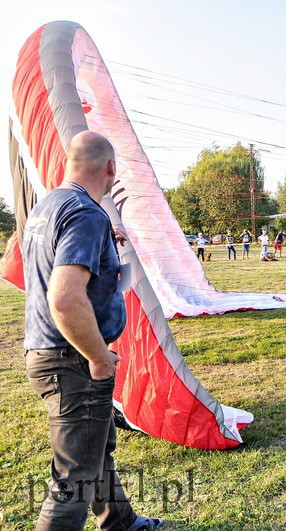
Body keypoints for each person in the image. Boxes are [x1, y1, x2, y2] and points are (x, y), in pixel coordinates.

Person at [22, 131, 163, 530]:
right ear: (110, 168)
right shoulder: (85, 213)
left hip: (47, 350)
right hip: (73, 357)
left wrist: (106, 240)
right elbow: (65, 298)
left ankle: (120, 521)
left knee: (95, 449)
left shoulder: (49, 204)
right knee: (74, 478)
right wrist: (98, 356)